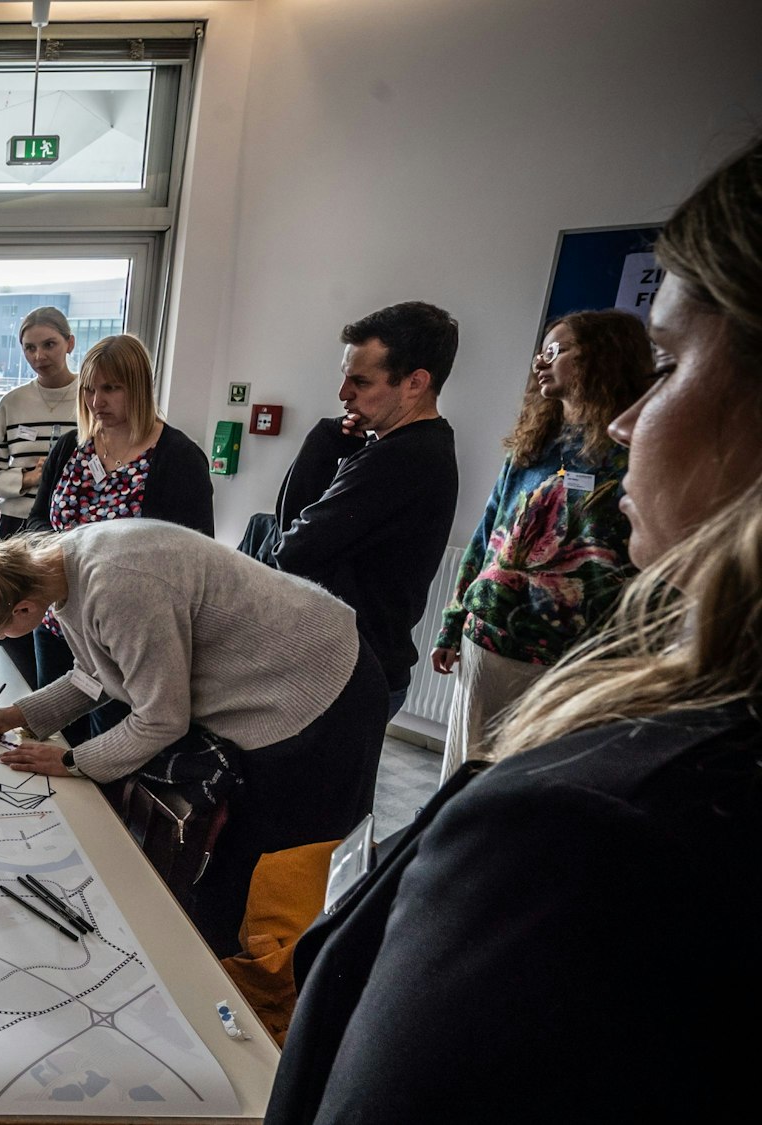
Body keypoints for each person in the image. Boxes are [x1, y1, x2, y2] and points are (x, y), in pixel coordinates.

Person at [265, 136, 762, 1125]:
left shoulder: (575, 824)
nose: (628, 425)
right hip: (491, 638)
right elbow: (456, 545)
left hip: (466, 663)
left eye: (666, 363)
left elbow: (295, 544)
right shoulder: (497, 454)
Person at [0, 524, 387, 957]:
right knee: (234, 869)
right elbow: (96, 674)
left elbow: (160, 720)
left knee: (283, 870)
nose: (1, 640)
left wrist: (72, 760)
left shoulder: (117, 587)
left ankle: (278, 994)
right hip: (280, 676)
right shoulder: (59, 569)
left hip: (318, 689)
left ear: (22, 608)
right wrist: (19, 715)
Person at [428, 310, 651, 779]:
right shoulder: (533, 444)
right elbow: (488, 534)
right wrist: (453, 623)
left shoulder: (638, 454)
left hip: (571, 663)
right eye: (540, 351)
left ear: (601, 358)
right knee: (463, 777)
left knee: (528, 787)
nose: (539, 362)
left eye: (556, 350)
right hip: (488, 645)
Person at [265, 301, 461, 717]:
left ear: (414, 383)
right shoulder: (408, 447)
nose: (343, 394)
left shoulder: (401, 458)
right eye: (345, 378)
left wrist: (320, 444)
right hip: (356, 668)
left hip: (349, 676)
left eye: (361, 382)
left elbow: (289, 553)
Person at [14, 333, 216, 707]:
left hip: (127, 635)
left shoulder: (178, 458)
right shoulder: (71, 448)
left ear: (138, 388)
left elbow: (193, 559)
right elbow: (38, 520)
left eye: (111, 388)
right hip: (61, 623)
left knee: (110, 742)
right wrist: (59, 551)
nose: (96, 402)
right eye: (89, 389)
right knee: (53, 732)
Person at [0, 307, 82, 537]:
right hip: (17, 526)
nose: (39, 356)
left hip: (76, 524)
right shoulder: (12, 403)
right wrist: (27, 479)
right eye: (30, 348)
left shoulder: (92, 399)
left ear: (70, 343)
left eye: (49, 344)